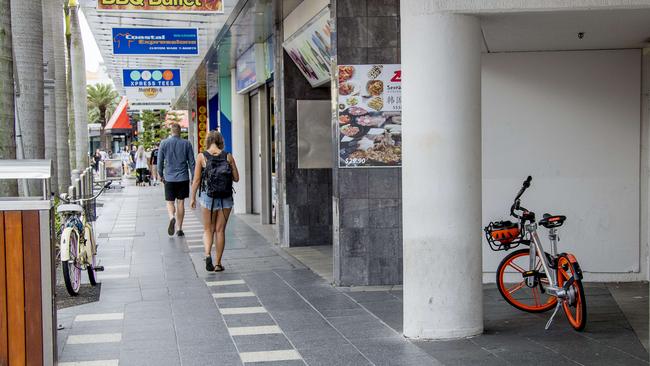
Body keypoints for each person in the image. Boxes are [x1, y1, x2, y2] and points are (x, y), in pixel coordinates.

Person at [190, 130, 239, 272]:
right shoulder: (228, 156)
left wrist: (192, 197)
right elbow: (236, 178)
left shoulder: (201, 157)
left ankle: (207, 254)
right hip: (226, 198)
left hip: (208, 198)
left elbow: (197, 180)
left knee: (208, 229)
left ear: (208, 141)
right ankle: (218, 263)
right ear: (220, 141)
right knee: (220, 230)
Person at [158, 123, 195, 237]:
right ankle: (179, 228)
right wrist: (193, 177)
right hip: (183, 178)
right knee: (181, 202)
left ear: (171, 131)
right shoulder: (186, 143)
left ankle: (171, 217)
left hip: (169, 178)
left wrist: (160, 174)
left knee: (169, 202)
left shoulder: (164, 143)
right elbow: (192, 163)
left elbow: (159, 162)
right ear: (180, 132)